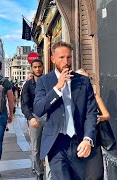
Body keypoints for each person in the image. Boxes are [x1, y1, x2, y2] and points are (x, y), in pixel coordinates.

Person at [33, 41, 97, 180]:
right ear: (53, 59)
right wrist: (57, 88)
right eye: (61, 57)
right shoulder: (44, 81)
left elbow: (91, 112)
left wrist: (88, 138)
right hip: (56, 143)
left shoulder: (83, 81)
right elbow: (38, 109)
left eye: (68, 57)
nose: (66, 61)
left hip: (79, 142)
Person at [76, 68, 108, 180]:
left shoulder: (94, 96)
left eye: (87, 78)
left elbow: (106, 115)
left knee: (95, 173)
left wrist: (98, 118)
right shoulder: (70, 98)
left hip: (94, 139)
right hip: (76, 140)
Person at [21, 59, 45, 180]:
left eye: (39, 67)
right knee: (36, 148)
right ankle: (40, 172)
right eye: (35, 67)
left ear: (43, 67)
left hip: (49, 116)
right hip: (35, 117)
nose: (37, 69)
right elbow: (24, 104)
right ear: (32, 68)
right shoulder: (28, 85)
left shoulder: (49, 82)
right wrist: (30, 118)